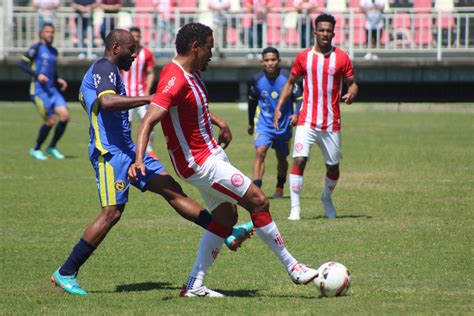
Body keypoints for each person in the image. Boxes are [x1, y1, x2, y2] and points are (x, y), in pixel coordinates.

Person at [50, 29, 253, 296]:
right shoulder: (103, 67)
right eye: (131, 49)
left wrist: (214, 119)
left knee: (172, 190)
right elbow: (107, 102)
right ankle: (65, 272)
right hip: (109, 154)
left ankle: (225, 232)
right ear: (114, 48)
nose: (135, 54)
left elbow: (182, 103)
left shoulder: (112, 71)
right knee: (112, 213)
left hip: (131, 151)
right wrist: (152, 98)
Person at [129, 22, 319, 298]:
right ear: (195, 48)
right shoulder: (173, 78)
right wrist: (139, 159)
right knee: (258, 201)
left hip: (209, 154)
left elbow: (195, 106)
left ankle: (194, 285)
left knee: (227, 216)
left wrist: (219, 122)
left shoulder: (190, 73)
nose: (211, 54)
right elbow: (148, 120)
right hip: (198, 162)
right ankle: (294, 267)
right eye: (209, 48)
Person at [274, 13, 358, 220]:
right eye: (322, 30)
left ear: (333, 33)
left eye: (329, 31)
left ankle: (326, 198)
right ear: (315, 32)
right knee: (299, 160)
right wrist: (279, 107)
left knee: (333, 167)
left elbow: (352, 83)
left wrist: (352, 93)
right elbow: (291, 82)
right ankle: (295, 208)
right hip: (306, 120)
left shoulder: (342, 58)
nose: (325, 34)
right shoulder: (304, 57)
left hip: (331, 122)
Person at [247, 46, 302, 198]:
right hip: (263, 124)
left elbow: (299, 99)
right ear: (262, 63)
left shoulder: (289, 78)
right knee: (260, 152)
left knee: (281, 157)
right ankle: (257, 189)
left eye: (273, 60)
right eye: (267, 60)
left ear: (279, 61)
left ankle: (279, 186)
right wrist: (251, 123)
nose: (270, 63)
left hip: (283, 125)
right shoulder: (256, 80)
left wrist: (296, 114)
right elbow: (252, 103)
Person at [20, 23, 69, 161]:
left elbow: (51, 70)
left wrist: (58, 79)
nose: (50, 34)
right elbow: (22, 63)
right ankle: (35, 149)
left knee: (65, 117)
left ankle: (51, 147)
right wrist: (37, 75)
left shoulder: (54, 51)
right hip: (39, 91)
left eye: (52, 32)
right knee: (51, 120)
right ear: (41, 33)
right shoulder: (36, 48)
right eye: (47, 31)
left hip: (52, 89)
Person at [121, 27, 158, 159]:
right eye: (133, 36)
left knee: (149, 121)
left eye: (138, 36)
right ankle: (127, 149)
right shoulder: (123, 53)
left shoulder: (146, 53)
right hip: (126, 95)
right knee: (126, 124)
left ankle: (149, 150)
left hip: (141, 94)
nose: (136, 38)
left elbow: (150, 72)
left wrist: (147, 90)